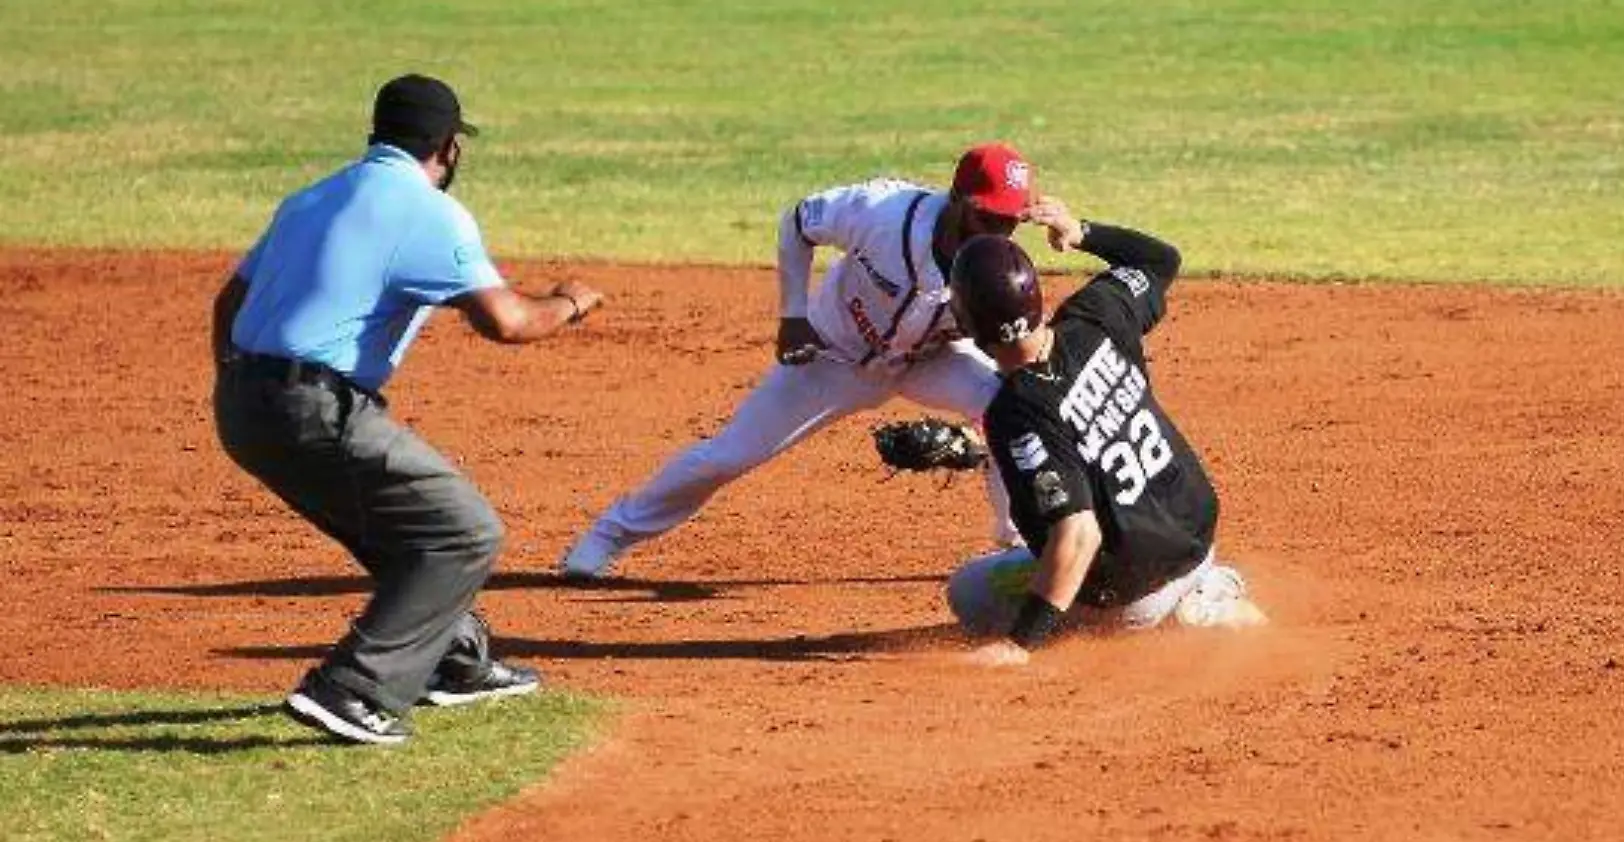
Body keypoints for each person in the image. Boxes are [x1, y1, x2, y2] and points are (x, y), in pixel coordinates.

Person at [210, 74, 605, 744]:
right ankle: (354, 688)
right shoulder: (429, 212)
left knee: (401, 528)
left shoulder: (312, 197)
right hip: (314, 405)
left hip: (242, 404)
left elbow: (228, 303)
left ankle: (453, 662)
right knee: (464, 531)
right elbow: (507, 322)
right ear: (448, 149)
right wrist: (568, 302)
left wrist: (244, 383)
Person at [558, 142, 1055, 579]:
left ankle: (1018, 541)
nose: (1000, 232)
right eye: (989, 218)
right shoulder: (882, 211)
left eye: (1011, 222)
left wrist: (981, 435)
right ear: (958, 200)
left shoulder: (997, 265)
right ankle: (608, 535)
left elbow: (1019, 351)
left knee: (1009, 407)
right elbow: (798, 222)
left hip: (930, 360)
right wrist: (793, 313)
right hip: (833, 356)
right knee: (731, 453)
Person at [940, 206, 1265, 666]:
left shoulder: (1016, 411)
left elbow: (1078, 534)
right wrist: (1082, 232)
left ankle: (1167, 614)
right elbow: (1160, 260)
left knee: (969, 591)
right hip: (1195, 534)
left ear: (968, 325)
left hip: (1133, 596)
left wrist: (1020, 643)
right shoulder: (1096, 316)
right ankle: (1209, 586)